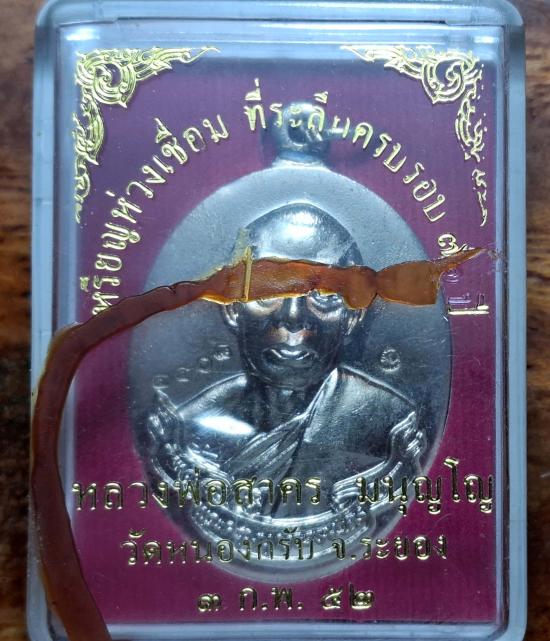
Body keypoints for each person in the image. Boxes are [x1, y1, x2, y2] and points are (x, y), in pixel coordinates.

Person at [147, 203, 426, 517]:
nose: (293, 318)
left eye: (324, 296)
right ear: (232, 308)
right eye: (266, 292)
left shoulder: (389, 425)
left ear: (353, 316)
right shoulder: (192, 426)